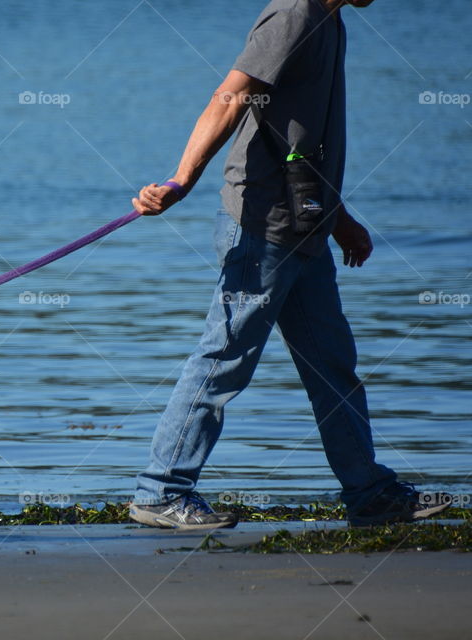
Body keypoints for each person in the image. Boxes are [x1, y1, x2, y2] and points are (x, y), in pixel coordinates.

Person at [129, 0, 449, 529]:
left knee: (332, 366)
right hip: (262, 228)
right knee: (223, 359)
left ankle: (368, 493)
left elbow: (301, 142)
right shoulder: (294, 13)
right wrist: (180, 180)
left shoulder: (331, 19)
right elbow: (231, 95)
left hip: (306, 228)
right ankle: (160, 490)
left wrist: (340, 219)